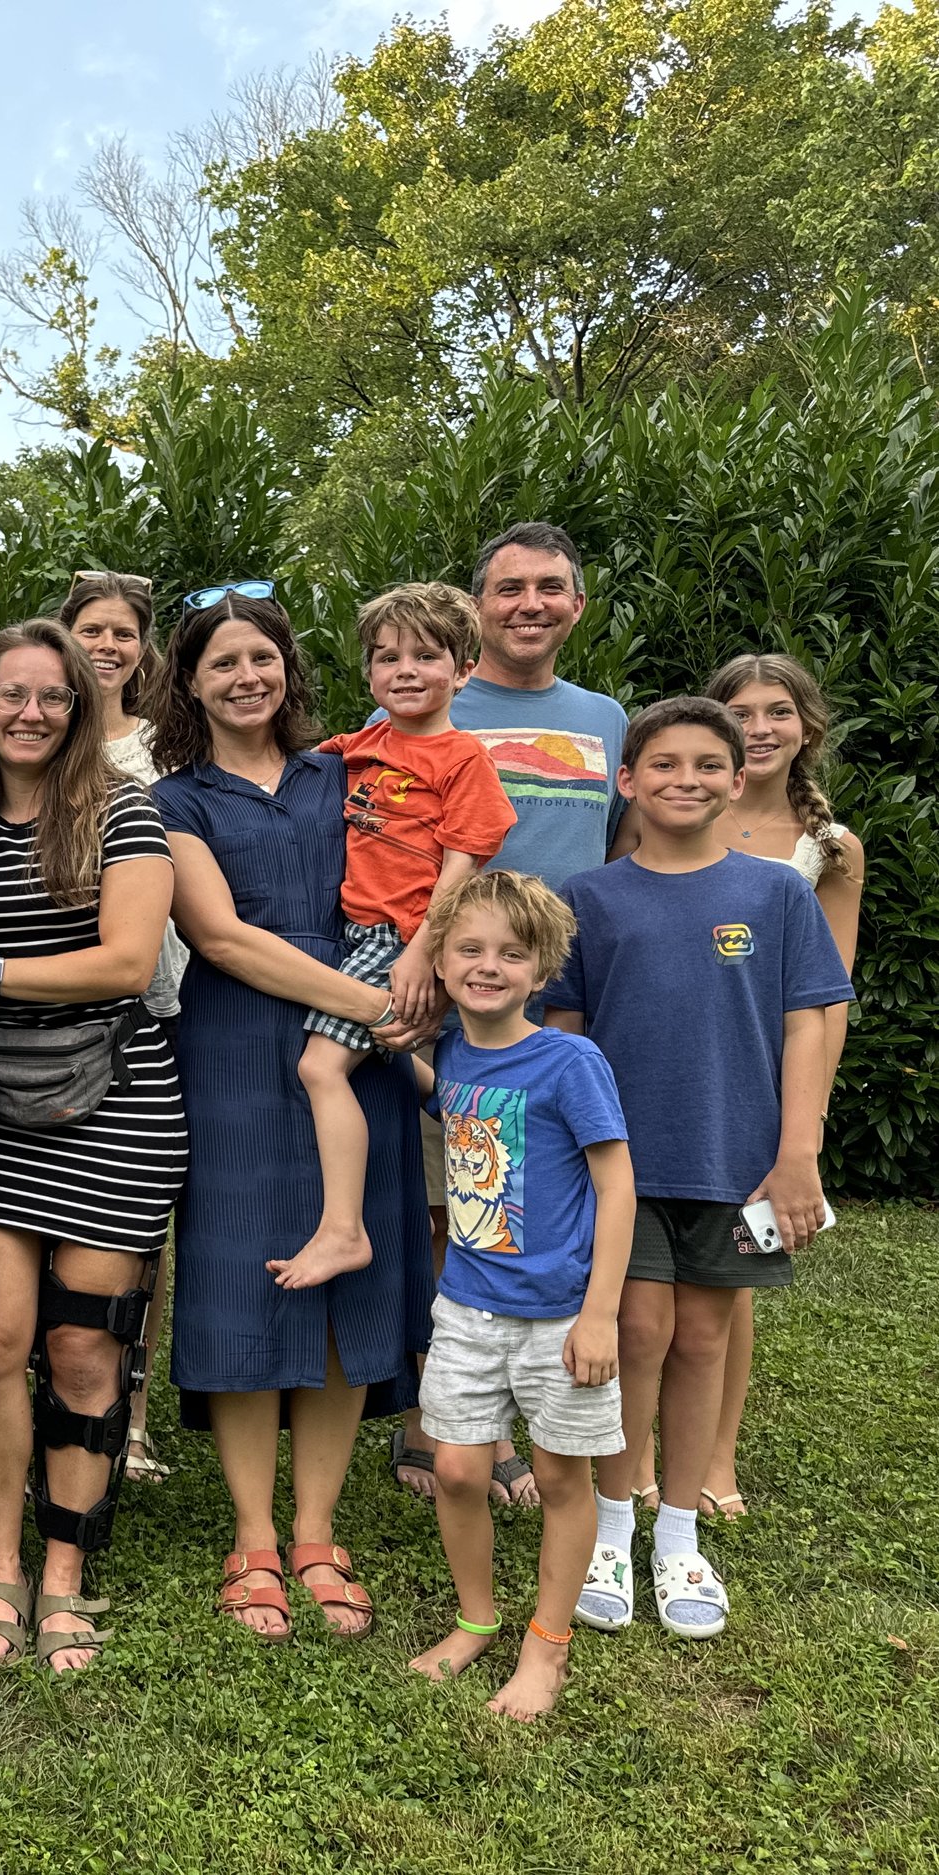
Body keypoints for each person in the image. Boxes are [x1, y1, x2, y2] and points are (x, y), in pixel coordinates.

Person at [151, 585, 434, 1641]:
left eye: (260, 657)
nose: (245, 677)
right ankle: (254, 1537)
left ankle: (316, 1531)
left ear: (288, 667)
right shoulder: (174, 801)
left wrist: (405, 990)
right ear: (190, 682)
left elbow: (428, 867)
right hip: (236, 1045)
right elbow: (220, 937)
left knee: (346, 1286)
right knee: (241, 1274)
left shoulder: (350, 772)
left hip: (359, 1060)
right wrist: (370, 1003)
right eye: (222, 662)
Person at [548, 697, 851, 1643]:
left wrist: (797, 1154)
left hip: (736, 1162)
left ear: (737, 778)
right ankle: (613, 1526)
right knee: (637, 1329)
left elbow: (807, 1025)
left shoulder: (776, 894)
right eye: (665, 764)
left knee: (705, 1340)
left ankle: (678, 1534)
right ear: (627, 780)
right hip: (620, 1167)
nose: (687, 779)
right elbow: (565, 1037)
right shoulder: (589, 898)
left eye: (708, 764)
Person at [0, 621, 185, 1675]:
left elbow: (127, 962)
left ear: (79, 707)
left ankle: (65, 1569)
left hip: (115, 1097)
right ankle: (1, 1567)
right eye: (11, 694)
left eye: (53, 696)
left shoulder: (121, 808)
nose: (31, 713)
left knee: (84, 1348)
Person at [390, 522, 632, 1506]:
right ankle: (442, 1420)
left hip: (553, 1007)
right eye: (508, 588)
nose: (529, 604)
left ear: (577, 604)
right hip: (447, 992)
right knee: (445, 1203)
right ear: (477, 605)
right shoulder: (433, 702)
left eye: (550, 587)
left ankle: (521, 1406)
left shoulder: (606, 717)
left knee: (535, 1201)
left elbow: (615, 855)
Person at [612, 652, 865, 1523]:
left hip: (748, 1100)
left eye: (778, 711)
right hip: (650, 1109)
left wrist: (803, 1135)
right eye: (742, 711)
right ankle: (635, 1467)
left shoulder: (821, 852)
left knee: (720, 1304)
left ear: (807, 727)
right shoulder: (643, 835)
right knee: (645, 1313)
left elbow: (821, 1003)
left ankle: (712, 1458)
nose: (760, 727)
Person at [404, 871, 630, 1722]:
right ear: (441, 961)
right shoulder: (453, 1055)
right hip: (466, 1306)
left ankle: (547, 1645)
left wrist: (600, 1312)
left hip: (561, 1316)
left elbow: (617, 1186)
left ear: (542, 969)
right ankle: (476, 1619)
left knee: (561, 1478)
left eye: (511, 952)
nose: (488, 965)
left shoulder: (571, 1062)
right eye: (469, 948)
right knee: (457, 1468)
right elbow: (458, 1108)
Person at [288, 584, 513, 1290]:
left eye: (425, 655)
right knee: (387, 1051)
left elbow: (461, 869)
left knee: (322, 1068)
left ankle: (344, 1230)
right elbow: (288, 769)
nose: (405, 670)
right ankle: (467, 1108)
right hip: (354, 933)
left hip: (404, 934)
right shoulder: (361, 747)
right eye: (387, 657)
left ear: (464, 670)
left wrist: (421, 954)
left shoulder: (463, 758)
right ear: (369, 675)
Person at [58, 570, 187, 1483]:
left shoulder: (165, 748)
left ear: (144, 650)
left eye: (124, 633)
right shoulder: (37, 728)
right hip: (48, 1002)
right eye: (92, 629)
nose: (108, 646)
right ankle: (57, 1391)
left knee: (140, 1224)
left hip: (156, 996)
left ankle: (131, 1409)